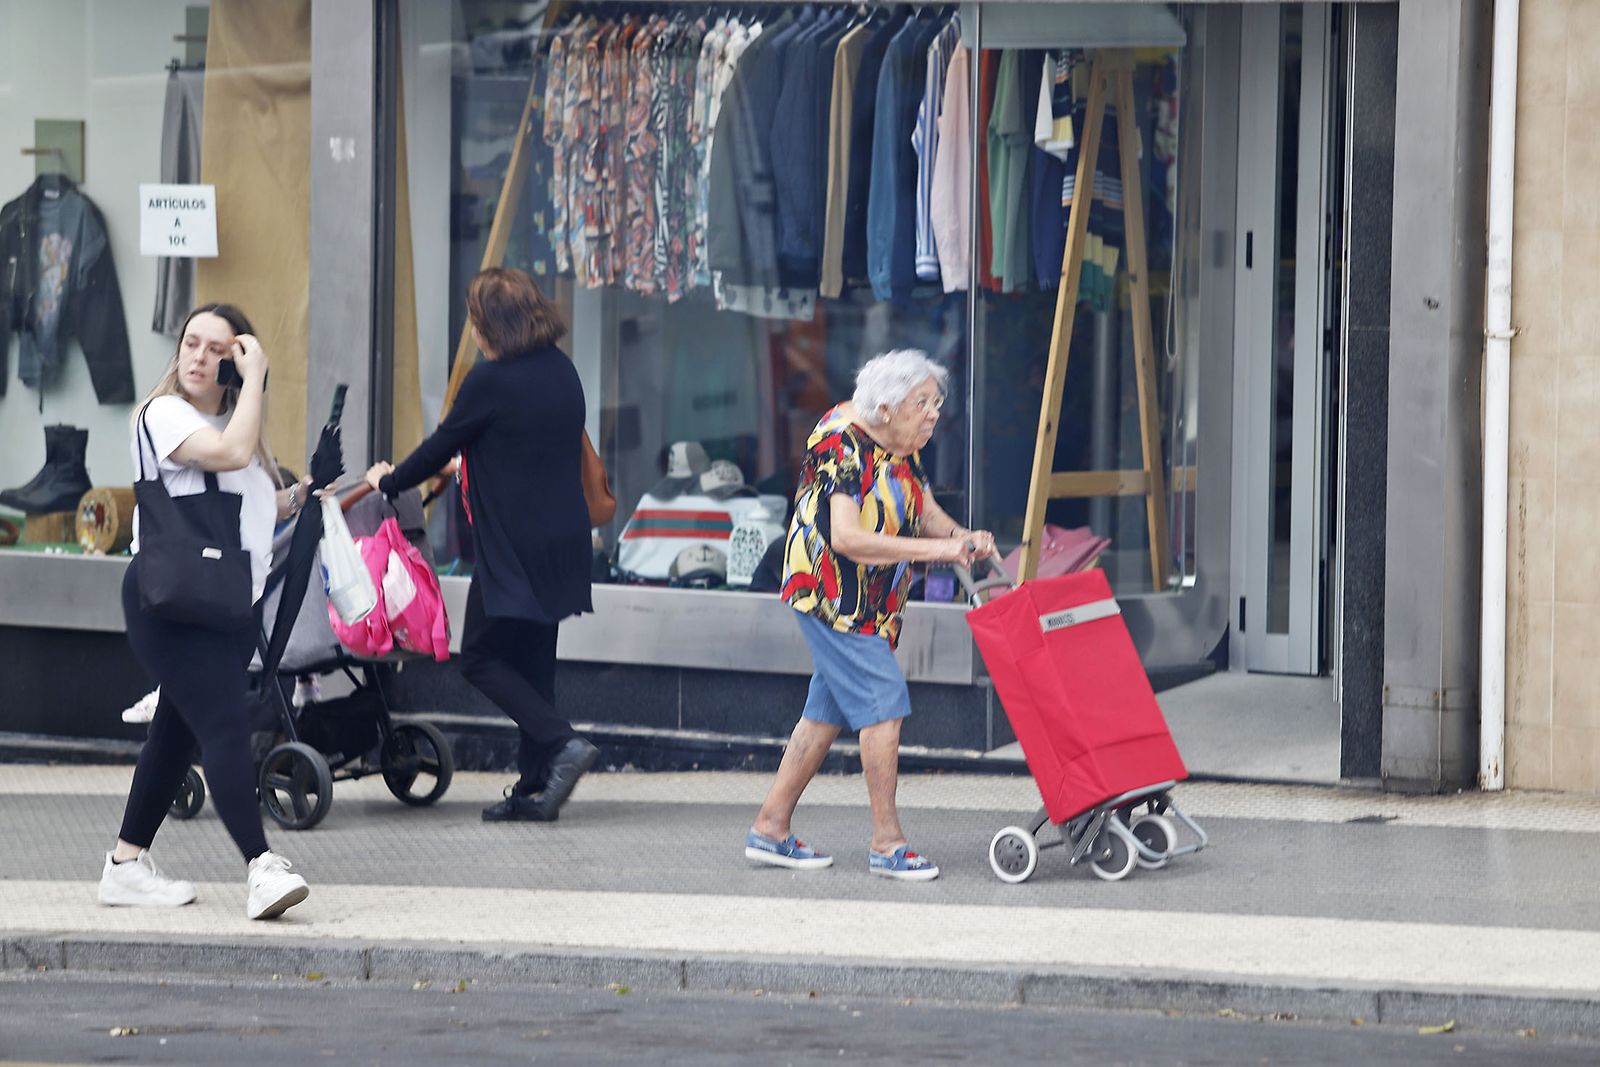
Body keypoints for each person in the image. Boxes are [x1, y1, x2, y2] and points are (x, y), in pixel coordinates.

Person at [746, 349, 996, 881]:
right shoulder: (842, 441)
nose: (934, 413)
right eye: (922, 403)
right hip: (833, 596)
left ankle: (770, 828)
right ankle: (888, 843)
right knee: (883, 705)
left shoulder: (900, 442)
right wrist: (939, 553)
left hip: (873, 602)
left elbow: (923, 509)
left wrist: (961, 537)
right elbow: (848, 538)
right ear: (885, 408)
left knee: (824, 715)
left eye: (936, 402)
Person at [99, 303, 313, 920]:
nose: (196, 356)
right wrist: (257, 378)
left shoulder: (232, 433)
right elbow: (229, 454)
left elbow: (248, 504)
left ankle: (125, 865)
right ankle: (261, 867)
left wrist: (304, 492)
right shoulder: (163, 414)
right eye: (191, 343)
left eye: (215, 348)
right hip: (169, 602)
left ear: (231, 363)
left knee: (175, 732)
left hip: (222, 607)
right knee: (222, 723)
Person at [366, 268, 598, 822]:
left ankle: (563, 744)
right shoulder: (562, 372)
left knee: (479, 659)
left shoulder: (489, 381)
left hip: (512, 549)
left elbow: (439, 444)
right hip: (562, 543)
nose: (472, 331)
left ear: (493, 325)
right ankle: (535, 787)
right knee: (533, 665)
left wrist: (389, 481)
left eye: (475, 320)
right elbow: (521, 446)